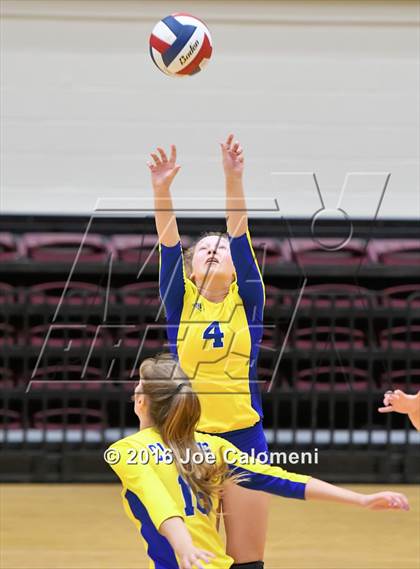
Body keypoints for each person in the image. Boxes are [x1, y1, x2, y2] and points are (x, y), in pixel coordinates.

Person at [106, 353, 409, 569]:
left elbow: (161, 505)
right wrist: (361, 499)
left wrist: (184, 547)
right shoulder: (214, 447)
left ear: (141, 402)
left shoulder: (126, 451)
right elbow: (280, 479)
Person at [148, 134, 271, 565]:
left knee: (247, 559)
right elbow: (167, 244)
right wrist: (162, 191)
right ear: (192, 271)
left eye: (221, 248)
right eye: (204, 249)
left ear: (238, 269)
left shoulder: (248, 300)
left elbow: (240, 232)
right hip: (188, 441)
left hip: (244, 440)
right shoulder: (181, 302)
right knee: (194, 559)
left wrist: (233, 177)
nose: (215, 250)